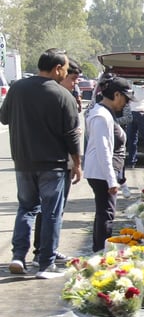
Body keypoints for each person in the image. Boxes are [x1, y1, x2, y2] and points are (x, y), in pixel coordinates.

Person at [0, 49, 82, 278]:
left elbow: (4, 118)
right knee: (51, 212)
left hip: (23, 161)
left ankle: (18, 256)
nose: (66, 73)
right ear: (57, 69)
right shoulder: (63, 95)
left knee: (26, 208)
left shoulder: (17, 88)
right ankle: (46, 263)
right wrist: (77, 163)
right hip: (53, 165)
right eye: (65, 69)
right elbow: (72, 136)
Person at [84, 77, 134, 252]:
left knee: (105, 213)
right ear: (116, 94)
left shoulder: (106, 113)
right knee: (106, 214)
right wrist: (112, 180)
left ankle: (100, 250)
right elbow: (103, 149)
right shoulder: (101, 115)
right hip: (101, 172)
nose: (126, 104)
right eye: (125, 99)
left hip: (105, 171)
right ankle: (100, 252)